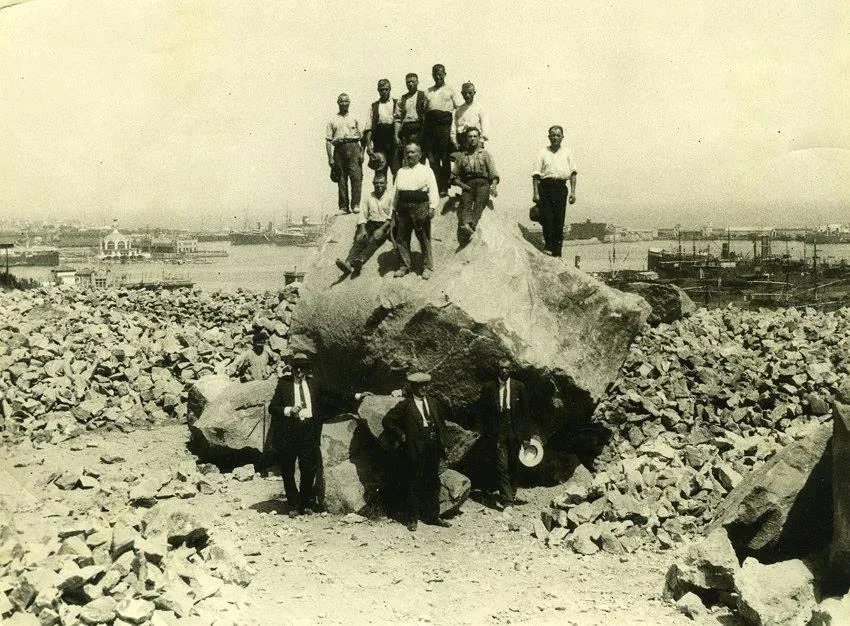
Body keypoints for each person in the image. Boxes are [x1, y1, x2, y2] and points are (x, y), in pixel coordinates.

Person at [384, 372, 451, 532]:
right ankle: (412, 518)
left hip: (432, 448)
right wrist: (401, 434)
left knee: (433, 482)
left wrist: (445, 444)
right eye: (420, 386)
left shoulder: (434, 403)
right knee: (413, 483)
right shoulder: (406, 405)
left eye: (425, 385)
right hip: (415, 449)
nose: (423, 389)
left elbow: (441, 425)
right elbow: (387, 420)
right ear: (413, 387)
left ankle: (433, 516)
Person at [268, 353, 325, 517]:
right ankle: (293, 504)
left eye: (302, 367)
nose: (298, 370)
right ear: (291, 368)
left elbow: (331, 396)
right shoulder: (283, 383)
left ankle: (305, 503)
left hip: (308, 431)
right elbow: (272, 408)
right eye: (295, 367)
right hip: (289, 432)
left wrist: (356, 396)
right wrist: (288, 410)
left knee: (308, 469)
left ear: (307, 369)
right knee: (287, 469)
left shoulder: (315, 384)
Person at [479, 358, 531, 510]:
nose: (504, 371)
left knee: (514, 463)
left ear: (511, 370)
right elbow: (482, 412)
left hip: (514, 431)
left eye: (507, 368)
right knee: (502, 465)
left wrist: (526, 436)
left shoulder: (519, 386)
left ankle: (511, 493)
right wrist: (486, 432)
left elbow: (525, 414)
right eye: (501, 368)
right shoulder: (489, 387)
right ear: (498, 370)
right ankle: (507, 500)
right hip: (498, 431)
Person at [392, 143, 439, 280]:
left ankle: (427, 267)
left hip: (420, 207)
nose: (410, 155)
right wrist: (393, 210)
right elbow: (396, 192)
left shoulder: (426, 171)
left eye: (413, 152)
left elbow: (433, 190)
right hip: (403, 207)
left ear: (420, 154)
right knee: (402, 237)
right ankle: (404, 266)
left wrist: (432, 207)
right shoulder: (401, 171)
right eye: (407, 152)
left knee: (423, 236)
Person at [531, 125, 578, 257]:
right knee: (547, 218)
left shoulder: (567, 152)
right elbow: (536, 175)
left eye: (558, 135)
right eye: (553, 135)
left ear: (562, 137)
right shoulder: (542, 152)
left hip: (561, 188)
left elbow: (573, 173)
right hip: (545, 187)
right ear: (549, 137)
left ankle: (557, 250)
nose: (555, 137)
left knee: (559, 219)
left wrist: (573, 193)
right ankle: (548, 246)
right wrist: (535, 193)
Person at [336, 174, 394, 277]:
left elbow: (391, 217)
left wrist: (381, 230)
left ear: (386, 184)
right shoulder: (368, 197)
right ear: (373, 183)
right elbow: (363, 214)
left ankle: (360, 261)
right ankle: (348, 263)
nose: (379, 185)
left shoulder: (390, 197)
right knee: (361, 240)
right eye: (376, 183)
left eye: (381, 183)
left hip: (385, 225)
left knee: (374, 241)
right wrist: (362, 229)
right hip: (371, 223)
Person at [450, 128, 499, 243]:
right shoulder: (462, 156)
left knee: (480, 201)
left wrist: (494, 186)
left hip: (483, 183)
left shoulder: (485, 154)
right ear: (466, 138)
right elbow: (453, 177)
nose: (472, 139)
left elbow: (493, 173)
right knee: (465, 202)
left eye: (475, 136)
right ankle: (466, 225)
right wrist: (462, 185)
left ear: (479, 138)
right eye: (470, 136)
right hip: (468, 184)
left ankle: (472, 225)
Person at [422, 64, 463, 197]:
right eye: (435, 73)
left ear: (445, 74)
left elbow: (459, 109)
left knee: (444, 157)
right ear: (432, 75)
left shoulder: (450, 89)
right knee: (432, 158)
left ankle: (444, 186)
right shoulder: (428, 91)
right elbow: (424, 111)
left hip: (444, 127)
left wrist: (455, 130)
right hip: (430, 128)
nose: (438, 76)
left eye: (440, 73)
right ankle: (438, 185)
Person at [326, 93, 364, 214]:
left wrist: (362, 153)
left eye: (346, 101)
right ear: (338, 103)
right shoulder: (332, 120)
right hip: (339, 148)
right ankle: (343, 207)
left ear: (349, 102)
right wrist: (330, 157)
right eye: (341, 101)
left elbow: (363, 138)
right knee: (341, 179)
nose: (344, 104)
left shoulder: (355, 117)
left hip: (353, 147)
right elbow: (328, 140)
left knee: (356, 177)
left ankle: (356, 204)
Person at [363, 79, 399, 178]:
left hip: (393, 143)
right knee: (380, 172)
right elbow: (368, 127)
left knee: (396, 171)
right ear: (378, 90)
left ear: (390, 89)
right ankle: (382, 193)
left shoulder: (397, 103)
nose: (384, 92)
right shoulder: (373, 106)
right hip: (379, 143)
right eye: (381, 89)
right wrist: (369, 145)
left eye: (386, 89)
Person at [393, 73, 427, 150]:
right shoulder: (402, 99)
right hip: (406, 131)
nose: (410, 84)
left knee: (419, 154)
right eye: (408, 82)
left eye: (413, 81)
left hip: (419, 130)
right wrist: (396, 135)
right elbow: (397, 119)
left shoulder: (423, 96)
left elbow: (426, 115)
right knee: (407, 155)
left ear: (417, 82)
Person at [454, 82, 489, 150]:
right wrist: (454, 141)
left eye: (470, 93)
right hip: (462, 140)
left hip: (475, 140)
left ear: (474, 92)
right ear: (462, 93)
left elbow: (485, 124)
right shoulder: (458, 109)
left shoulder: (480, 108)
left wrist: (482, 140)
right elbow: (454, 126)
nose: (467, 95)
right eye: (465, 93)